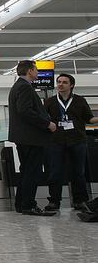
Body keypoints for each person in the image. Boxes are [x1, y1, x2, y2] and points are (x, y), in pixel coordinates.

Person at [8, 60, 58, 216]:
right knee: (32, 171)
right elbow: (25, 111)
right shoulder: (24, 87)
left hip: (23, 137)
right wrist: (47, 124)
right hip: (31, 137)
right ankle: (29, 205)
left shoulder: (17, 86)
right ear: (29, 71)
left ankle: (22, 204)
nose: (37, 72)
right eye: (36, 69)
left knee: (26, 170)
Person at [43, 73, 98, 213]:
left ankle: (80, 201)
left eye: (64, 82)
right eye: (59, 82)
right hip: (56, 140)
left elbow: (89, 119)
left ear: (71, 85)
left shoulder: (80, 100)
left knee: (78, 172)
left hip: (77, 140)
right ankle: (54, 201)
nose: (60, 84)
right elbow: (44, 120)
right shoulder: (49, 101)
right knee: (55, 172)